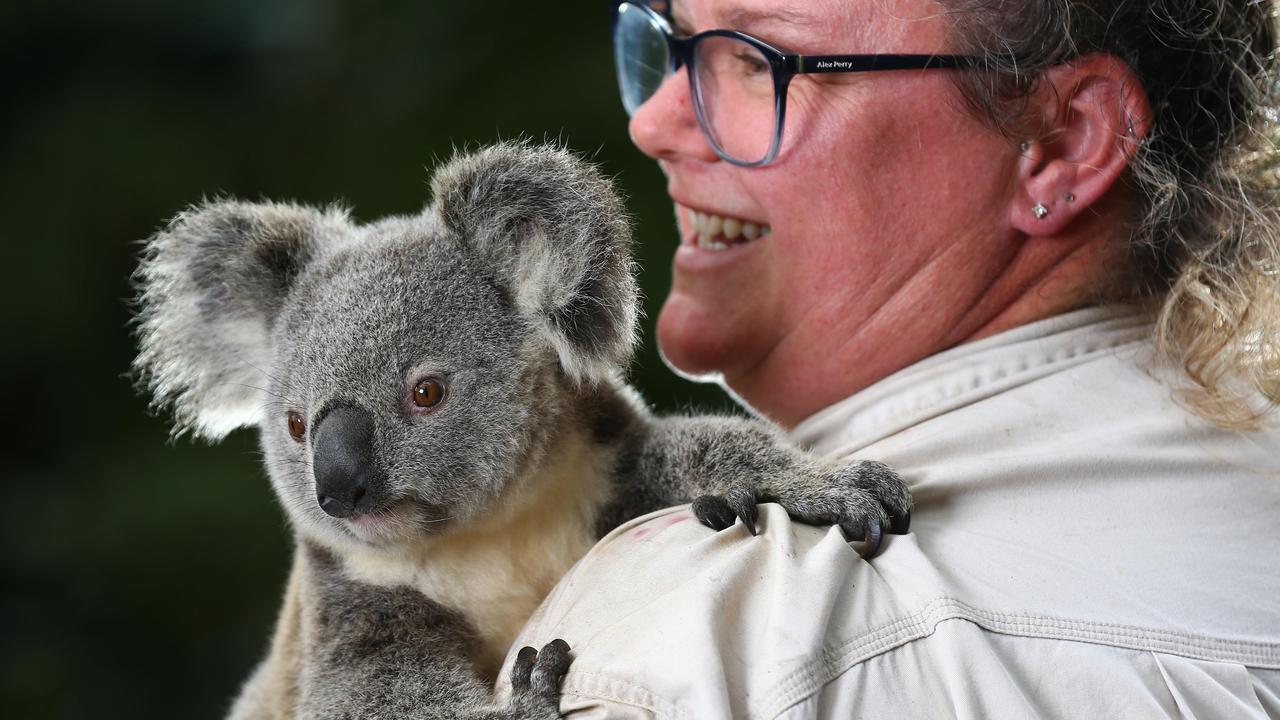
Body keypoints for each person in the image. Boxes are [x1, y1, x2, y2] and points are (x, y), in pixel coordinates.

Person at [500, 0, 1280, 717]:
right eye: (668, 38)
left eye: (758, 58)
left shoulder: (706, 648)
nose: (656, 123)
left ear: (1061, 143)